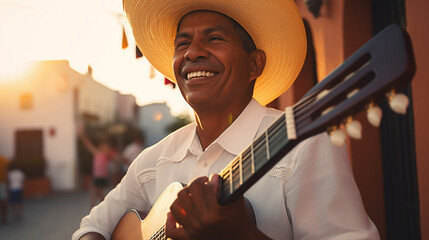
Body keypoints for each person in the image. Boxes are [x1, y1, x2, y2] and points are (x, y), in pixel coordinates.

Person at [73, 0, 380, 239]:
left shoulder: (306, 145)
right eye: (182, 43)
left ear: (254, 64)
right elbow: (92, 226)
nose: (193, 52)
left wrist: (244, 236)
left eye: (214, 38)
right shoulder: (151, 163)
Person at [77, 124, 116, 208]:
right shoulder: (97, 153)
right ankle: (104, 206)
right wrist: (83, 136)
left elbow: (115, 158)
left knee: (94, 192)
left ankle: (92, 208)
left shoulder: (106, 155)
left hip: (100, 177)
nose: (104, 147)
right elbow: (88, 145)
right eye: (103, 146)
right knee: (98, 192)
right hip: (97, 176)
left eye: (106, 147)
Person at [0, 155, 8, 224]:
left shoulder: (3, 160)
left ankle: (4, 217)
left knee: (3, 201)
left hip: (2, 183)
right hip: (2, 183)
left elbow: (7, 172)